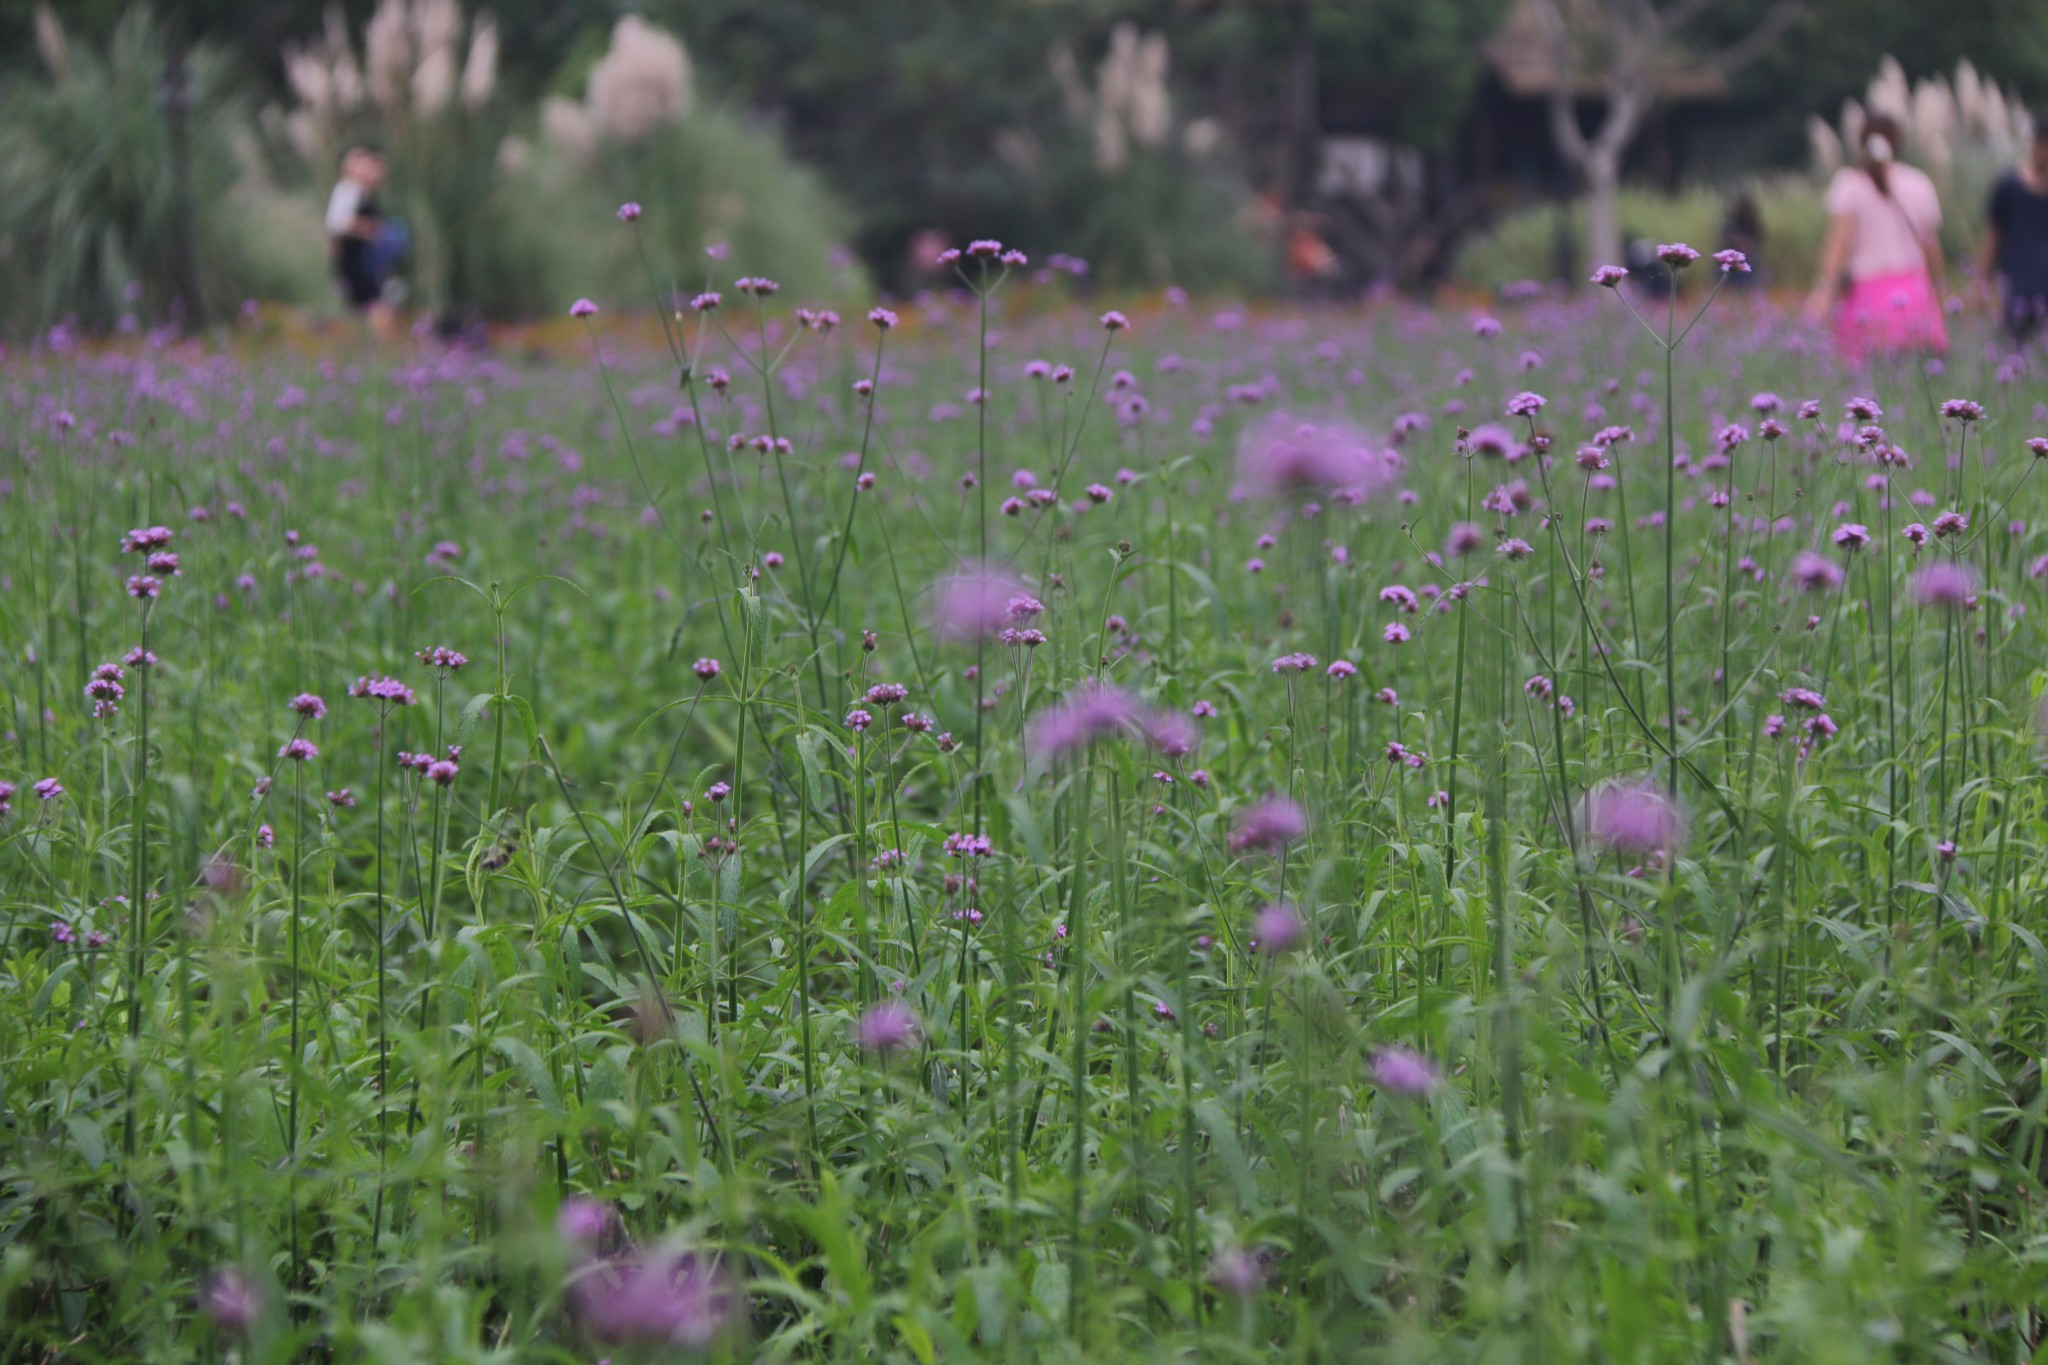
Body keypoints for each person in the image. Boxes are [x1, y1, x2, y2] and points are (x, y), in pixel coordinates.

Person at [1805, 114, 1947, 363]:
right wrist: (1939, 292)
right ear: (1898, 143)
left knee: (1868, 389)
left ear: (1861, 142)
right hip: (1915, 295)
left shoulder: (1849, 184)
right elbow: (1931, 247)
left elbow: (1839, 244)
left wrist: (1824, 290)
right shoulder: (1918, 183)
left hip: (1868, 298)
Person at [1980, 125, 2048, 346]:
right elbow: (1993, 235)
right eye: (2041, 144)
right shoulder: (2008, 187)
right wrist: (1983, 283)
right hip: (2018, 289)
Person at [326, 146, 395, 338]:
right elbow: (336, 222)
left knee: (366, 306)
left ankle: (370, 346)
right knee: (372, 304)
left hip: (365, 257)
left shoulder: (364, 192)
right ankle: (379, 347)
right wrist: (367, 229)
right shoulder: (348, 189)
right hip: (355, 257)